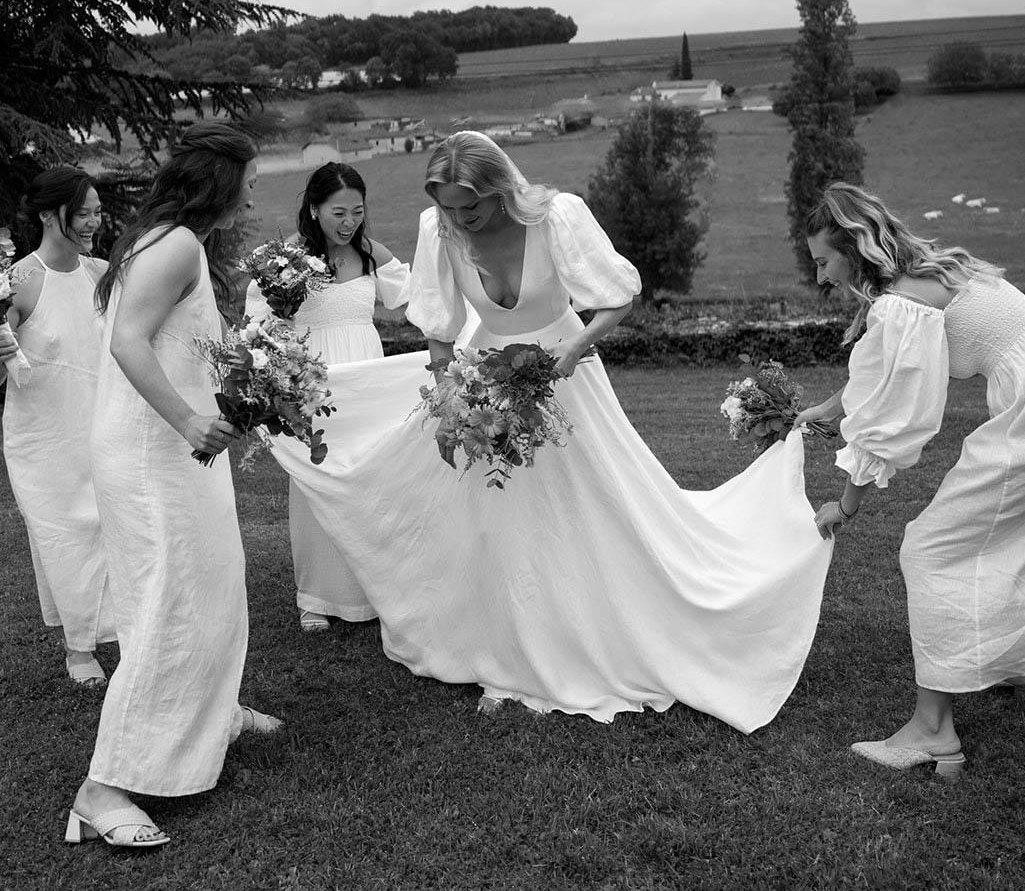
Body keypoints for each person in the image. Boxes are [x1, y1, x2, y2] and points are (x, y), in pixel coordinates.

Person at [264, 132, 832, 728]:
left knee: (585, 511)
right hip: (485, 378)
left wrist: (575, 346)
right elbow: (439, 323)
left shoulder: (556, 216)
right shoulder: (440, 229)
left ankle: (584, 629)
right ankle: (503, 653)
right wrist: (449, 385)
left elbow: (617, 298)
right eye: (451, 208)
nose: (462, 219)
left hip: (565, 376)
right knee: (496, 518)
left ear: (500, 188)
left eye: (472, 207)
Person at [797, 182, 1025, 778]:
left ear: (854, 245)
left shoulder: (901, 300)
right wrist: (830, 407)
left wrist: (848, 503)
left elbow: (892, 412)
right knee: (1013, 536)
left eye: (822, 261)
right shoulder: (934, 275)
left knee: (931, 548)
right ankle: (1017, 663)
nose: (820, 277)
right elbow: (888, 371)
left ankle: (934, 732)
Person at [66, 123, 279, 852]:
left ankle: (211, 710)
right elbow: (128, 339)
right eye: (249, 179)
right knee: (168, 597)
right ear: (223, 180)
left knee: (208, 583)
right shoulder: (178, 243)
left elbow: (175, 342)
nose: (254, 191)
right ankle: (104, 786)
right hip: (158, 453)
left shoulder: (164, 239)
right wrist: (190, 420)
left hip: (166, 449)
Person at [245, 163, 410, 633]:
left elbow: (420, 301)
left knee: (371, 480)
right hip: (314, 381)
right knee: (317, 480)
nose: (349, 222)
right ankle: (317, 596)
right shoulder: (286, 262)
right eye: (339, 212)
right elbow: (259, 326)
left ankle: (374, 590)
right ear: (314, 210)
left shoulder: (371, 255)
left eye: (357, 211)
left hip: (366, 379)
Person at [0, 168, 115, 686]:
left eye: (96, 210)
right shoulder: (17, 282)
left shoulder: (102, 273)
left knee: (114, 526)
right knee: (66, 533)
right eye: (83, 211)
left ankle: (122, 623)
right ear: (49, 215)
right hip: (44, 435)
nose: (94, 221)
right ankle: (79, 646)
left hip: (102, 421)